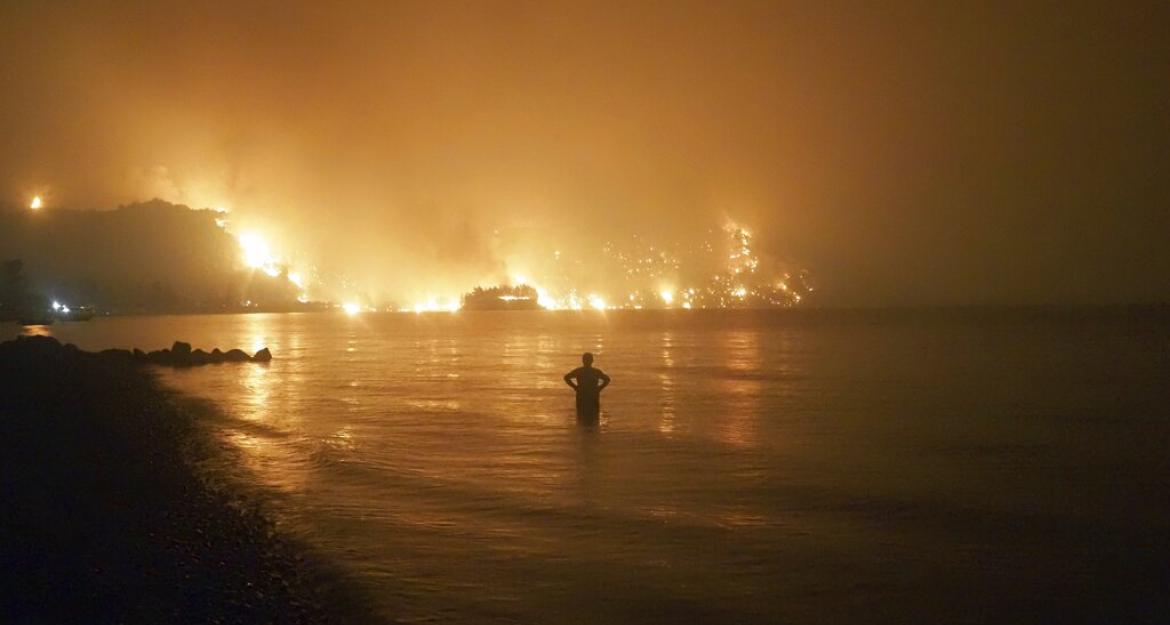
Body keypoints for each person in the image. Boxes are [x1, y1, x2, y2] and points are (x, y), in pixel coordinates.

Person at [564, 352, 611, 419]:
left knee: (581, 417)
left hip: (582, 395)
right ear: (592, 361)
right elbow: (607, 379)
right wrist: (600, 388)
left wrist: (575, 387)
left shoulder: (579, 371)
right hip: (593, 395)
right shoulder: (596, 372)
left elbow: (566, 377)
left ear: (583, 361)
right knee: (594, 417)